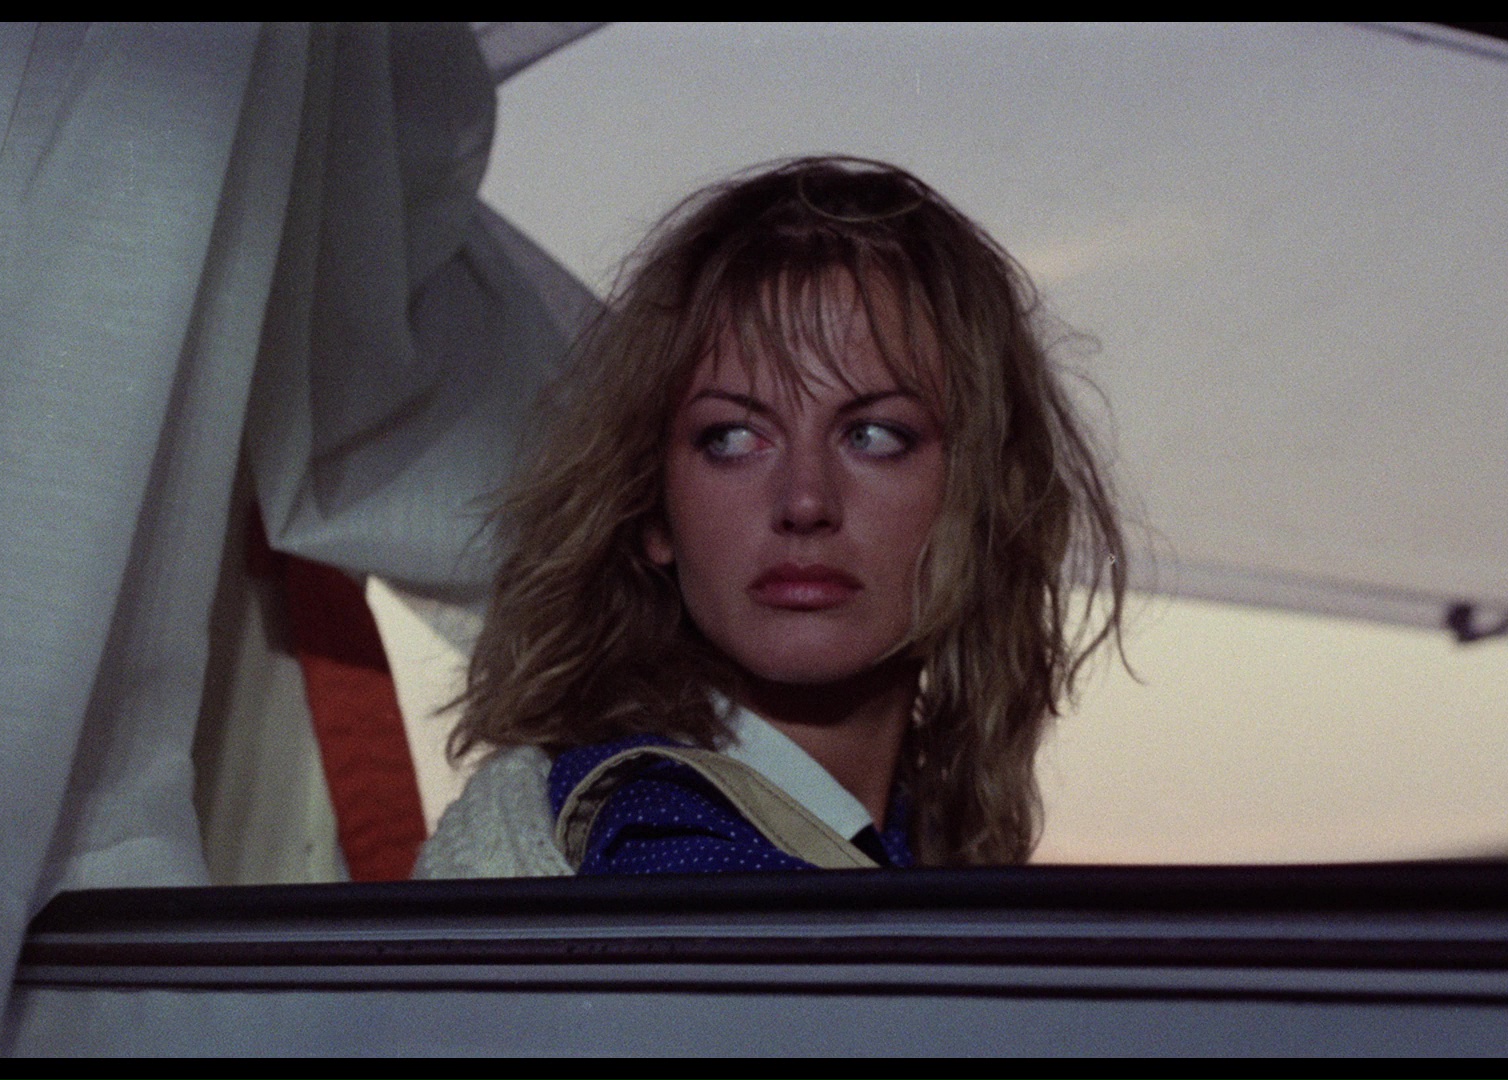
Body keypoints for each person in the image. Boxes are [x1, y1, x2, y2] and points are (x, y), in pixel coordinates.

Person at [414, 156, 1124, 877]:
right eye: (732, 438)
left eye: (874, 435)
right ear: (651, 507)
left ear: (983, 497)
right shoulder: (656, 834)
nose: (805, 502)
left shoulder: (920, 836)